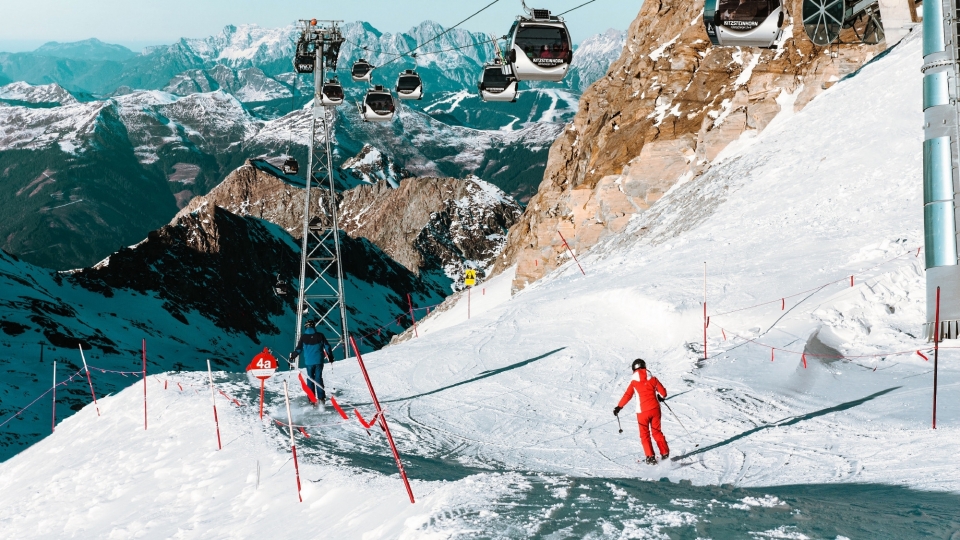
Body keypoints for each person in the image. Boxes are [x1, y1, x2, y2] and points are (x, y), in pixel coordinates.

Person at [613, 359, 670, 465]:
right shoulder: (653, 379)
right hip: (655, 409)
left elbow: (627, 395)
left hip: (642, 412)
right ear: (644, 367)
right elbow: (663, 393)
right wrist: (660, 397)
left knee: (644, 434)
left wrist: (619, 407)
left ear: (633, 369)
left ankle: (650, 456)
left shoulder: (634, 382)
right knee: (656, 432)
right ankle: (665, 452)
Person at [290, 321, 334, 406]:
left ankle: (312, 399)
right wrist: (330, 357)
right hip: (319, 361)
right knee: (318, 378)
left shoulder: (303, 337)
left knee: (310, 379)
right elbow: (327, 347)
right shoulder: (320, 335)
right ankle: (321, 399)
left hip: (309, 362)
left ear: (306, 327)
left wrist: (293, 356)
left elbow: (298, 350)